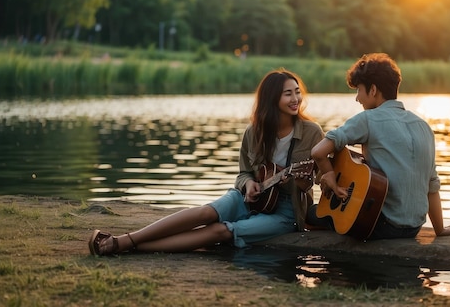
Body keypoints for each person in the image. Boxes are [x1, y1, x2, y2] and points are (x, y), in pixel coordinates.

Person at [89, 69, 325, 255]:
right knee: (205, 213)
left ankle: (128, 247)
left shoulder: (312, 132)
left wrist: (296, 181)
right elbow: (243, 173)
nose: (296, 99)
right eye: (288, 94)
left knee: (221, 231)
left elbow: (312, 183)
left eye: (297, 92)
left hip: (284, 212)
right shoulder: (254, 132)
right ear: (272, 99)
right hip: (249, 199)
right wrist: (248, 185)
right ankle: (126, 239)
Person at [308, 53, 450, 239]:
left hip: (379, 225)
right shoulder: (424, 126)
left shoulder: (367, 119)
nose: (357, 98)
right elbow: (432, 186)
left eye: (359, 90)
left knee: (311, 214)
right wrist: (440, 230)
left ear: (373, 90)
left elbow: (318, 152)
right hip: (413, 228)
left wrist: (330, 175)